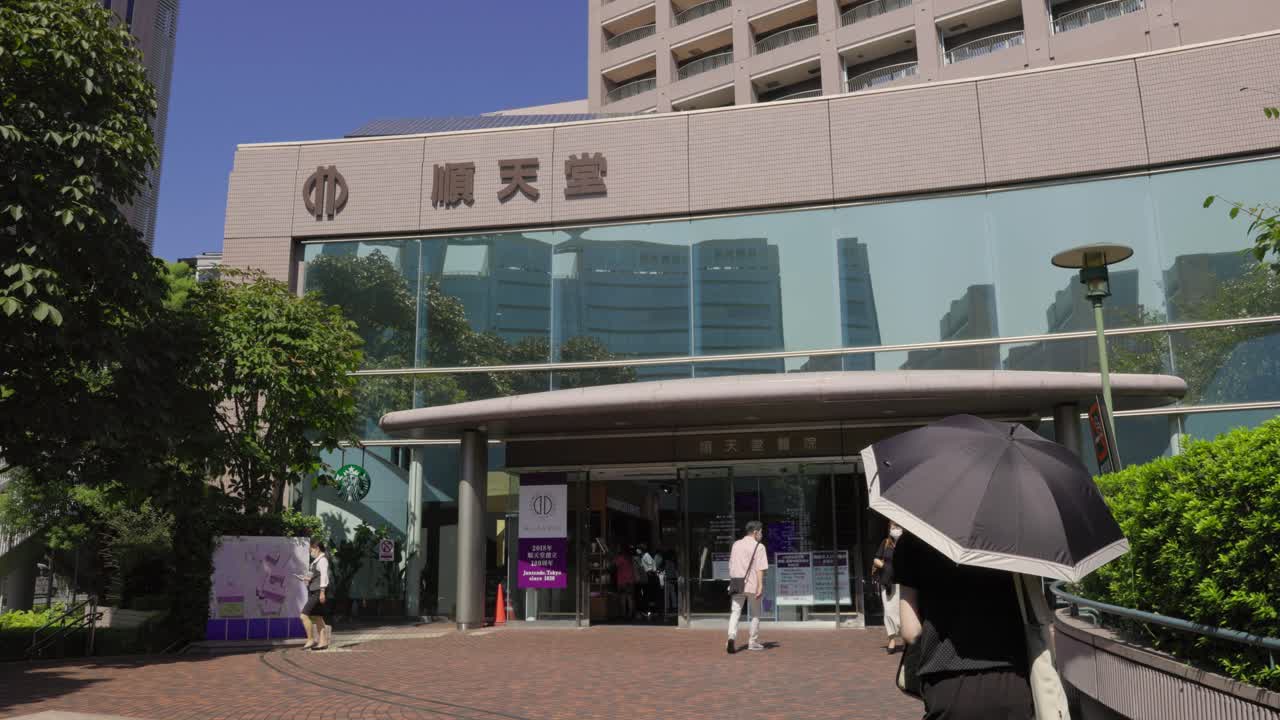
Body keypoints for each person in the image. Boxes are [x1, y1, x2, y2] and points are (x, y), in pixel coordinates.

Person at [895, 532, 1033, 720]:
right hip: (1013, 681)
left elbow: (911, 632)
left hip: (948, 683)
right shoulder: (1012, 536)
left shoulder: (914, 540)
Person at [726, 520, 768, 654]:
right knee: (755, 614)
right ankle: (753, 641)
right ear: (755, 532)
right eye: (761, 532)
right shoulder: (759, 547)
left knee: (735, 612)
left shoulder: (736, 544)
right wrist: (760, 585)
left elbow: (731, 565)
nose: (762, 534)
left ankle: (731, 637)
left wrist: (732, 580)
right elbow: (760, 568)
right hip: (752, 585)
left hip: (737, 584)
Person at [873, 521, 904, 653]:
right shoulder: (885, 543)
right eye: (893, 527)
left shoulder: (907, 544)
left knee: (902, 613)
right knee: (889, 612)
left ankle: (905, 640)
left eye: (898, 526)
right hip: (888, 583)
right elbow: (876, 559)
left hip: (903, 583)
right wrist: (885, 567)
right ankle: (891, 640)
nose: (895, 529)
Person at [299, 539, 332, 651]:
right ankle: (323, 642)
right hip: (314, 590)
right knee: (317, 617)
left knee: (304, 615)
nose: (310, 552)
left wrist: (322, 592)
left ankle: (310, 639)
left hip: (318, 591)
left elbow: (324, 576)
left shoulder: (322, 560)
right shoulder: (316, 561)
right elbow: (314, 575)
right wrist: (305, 579)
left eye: (311, 549)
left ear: (317, 548)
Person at [613, 545, 636, 620]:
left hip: (622, 581)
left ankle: (623, 614)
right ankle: (630, 613)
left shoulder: (620, 558)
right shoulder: (630, 558)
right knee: (630, 598)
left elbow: (614, 565)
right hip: (630, 580)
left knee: (623, 597)